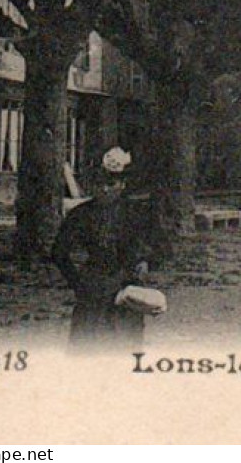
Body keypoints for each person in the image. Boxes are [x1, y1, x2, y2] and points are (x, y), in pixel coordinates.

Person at [51, 147, 152, 352]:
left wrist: (144, 261)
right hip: (93, 288)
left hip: (127, 289)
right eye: (99, 184)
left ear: (122, 185)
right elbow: (59, 252)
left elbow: (156, 245)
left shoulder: (136, 213)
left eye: (111, 184)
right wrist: (78, 283)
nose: (104, 190)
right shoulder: (81, 215)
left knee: (125, 349)